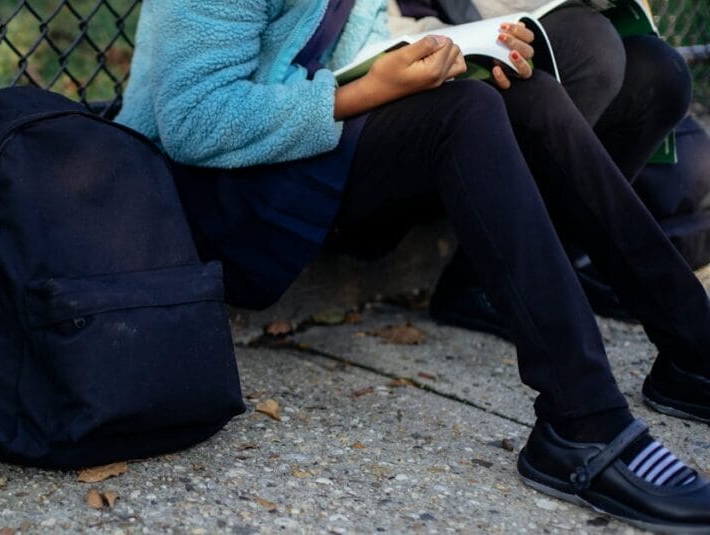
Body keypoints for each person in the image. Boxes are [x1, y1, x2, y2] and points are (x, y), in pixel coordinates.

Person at [115, 0, 710, 530]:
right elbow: (193, 122)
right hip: (204, 194)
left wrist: (457, 52)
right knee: (466, 112)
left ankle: (693, 351)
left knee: (518, 93)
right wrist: (371, 92)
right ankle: (582, 424)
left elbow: (361, 45)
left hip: (292, 150)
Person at [386, 0, 707, 339]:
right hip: (424, 60)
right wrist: (475, 42)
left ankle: (556, 269)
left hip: (500, 36)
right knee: (590, 46)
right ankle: (490, 278)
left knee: (661, 70)